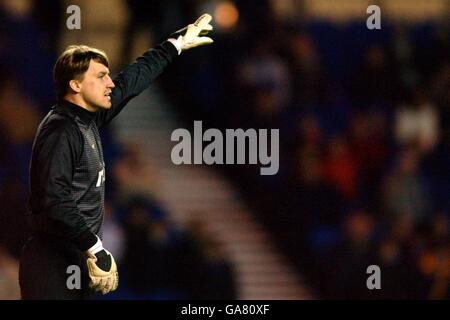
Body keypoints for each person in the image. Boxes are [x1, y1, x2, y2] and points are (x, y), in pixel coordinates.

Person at [19, 14, 214, 300]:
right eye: (101, 76)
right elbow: (55, 199)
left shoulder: (88, 120)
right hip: (52, 263)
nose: (110, 83)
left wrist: (175, 45)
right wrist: (94, 246)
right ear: (75, 85)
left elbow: (131, 80)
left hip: (74, 259)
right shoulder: (60, 130)